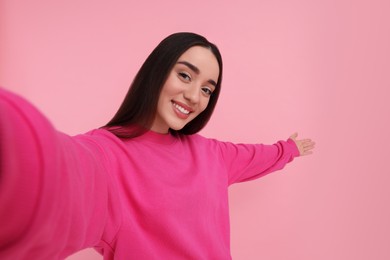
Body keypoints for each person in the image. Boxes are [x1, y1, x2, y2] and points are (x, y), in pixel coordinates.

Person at [0, 32, 315, 259]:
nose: (195, 97)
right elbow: (58, 171)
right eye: (184, 75)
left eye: (207, 89)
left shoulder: (212, 154)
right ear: (156, 71)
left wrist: (290, 148)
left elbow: (258, 156)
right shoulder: (105, 154)